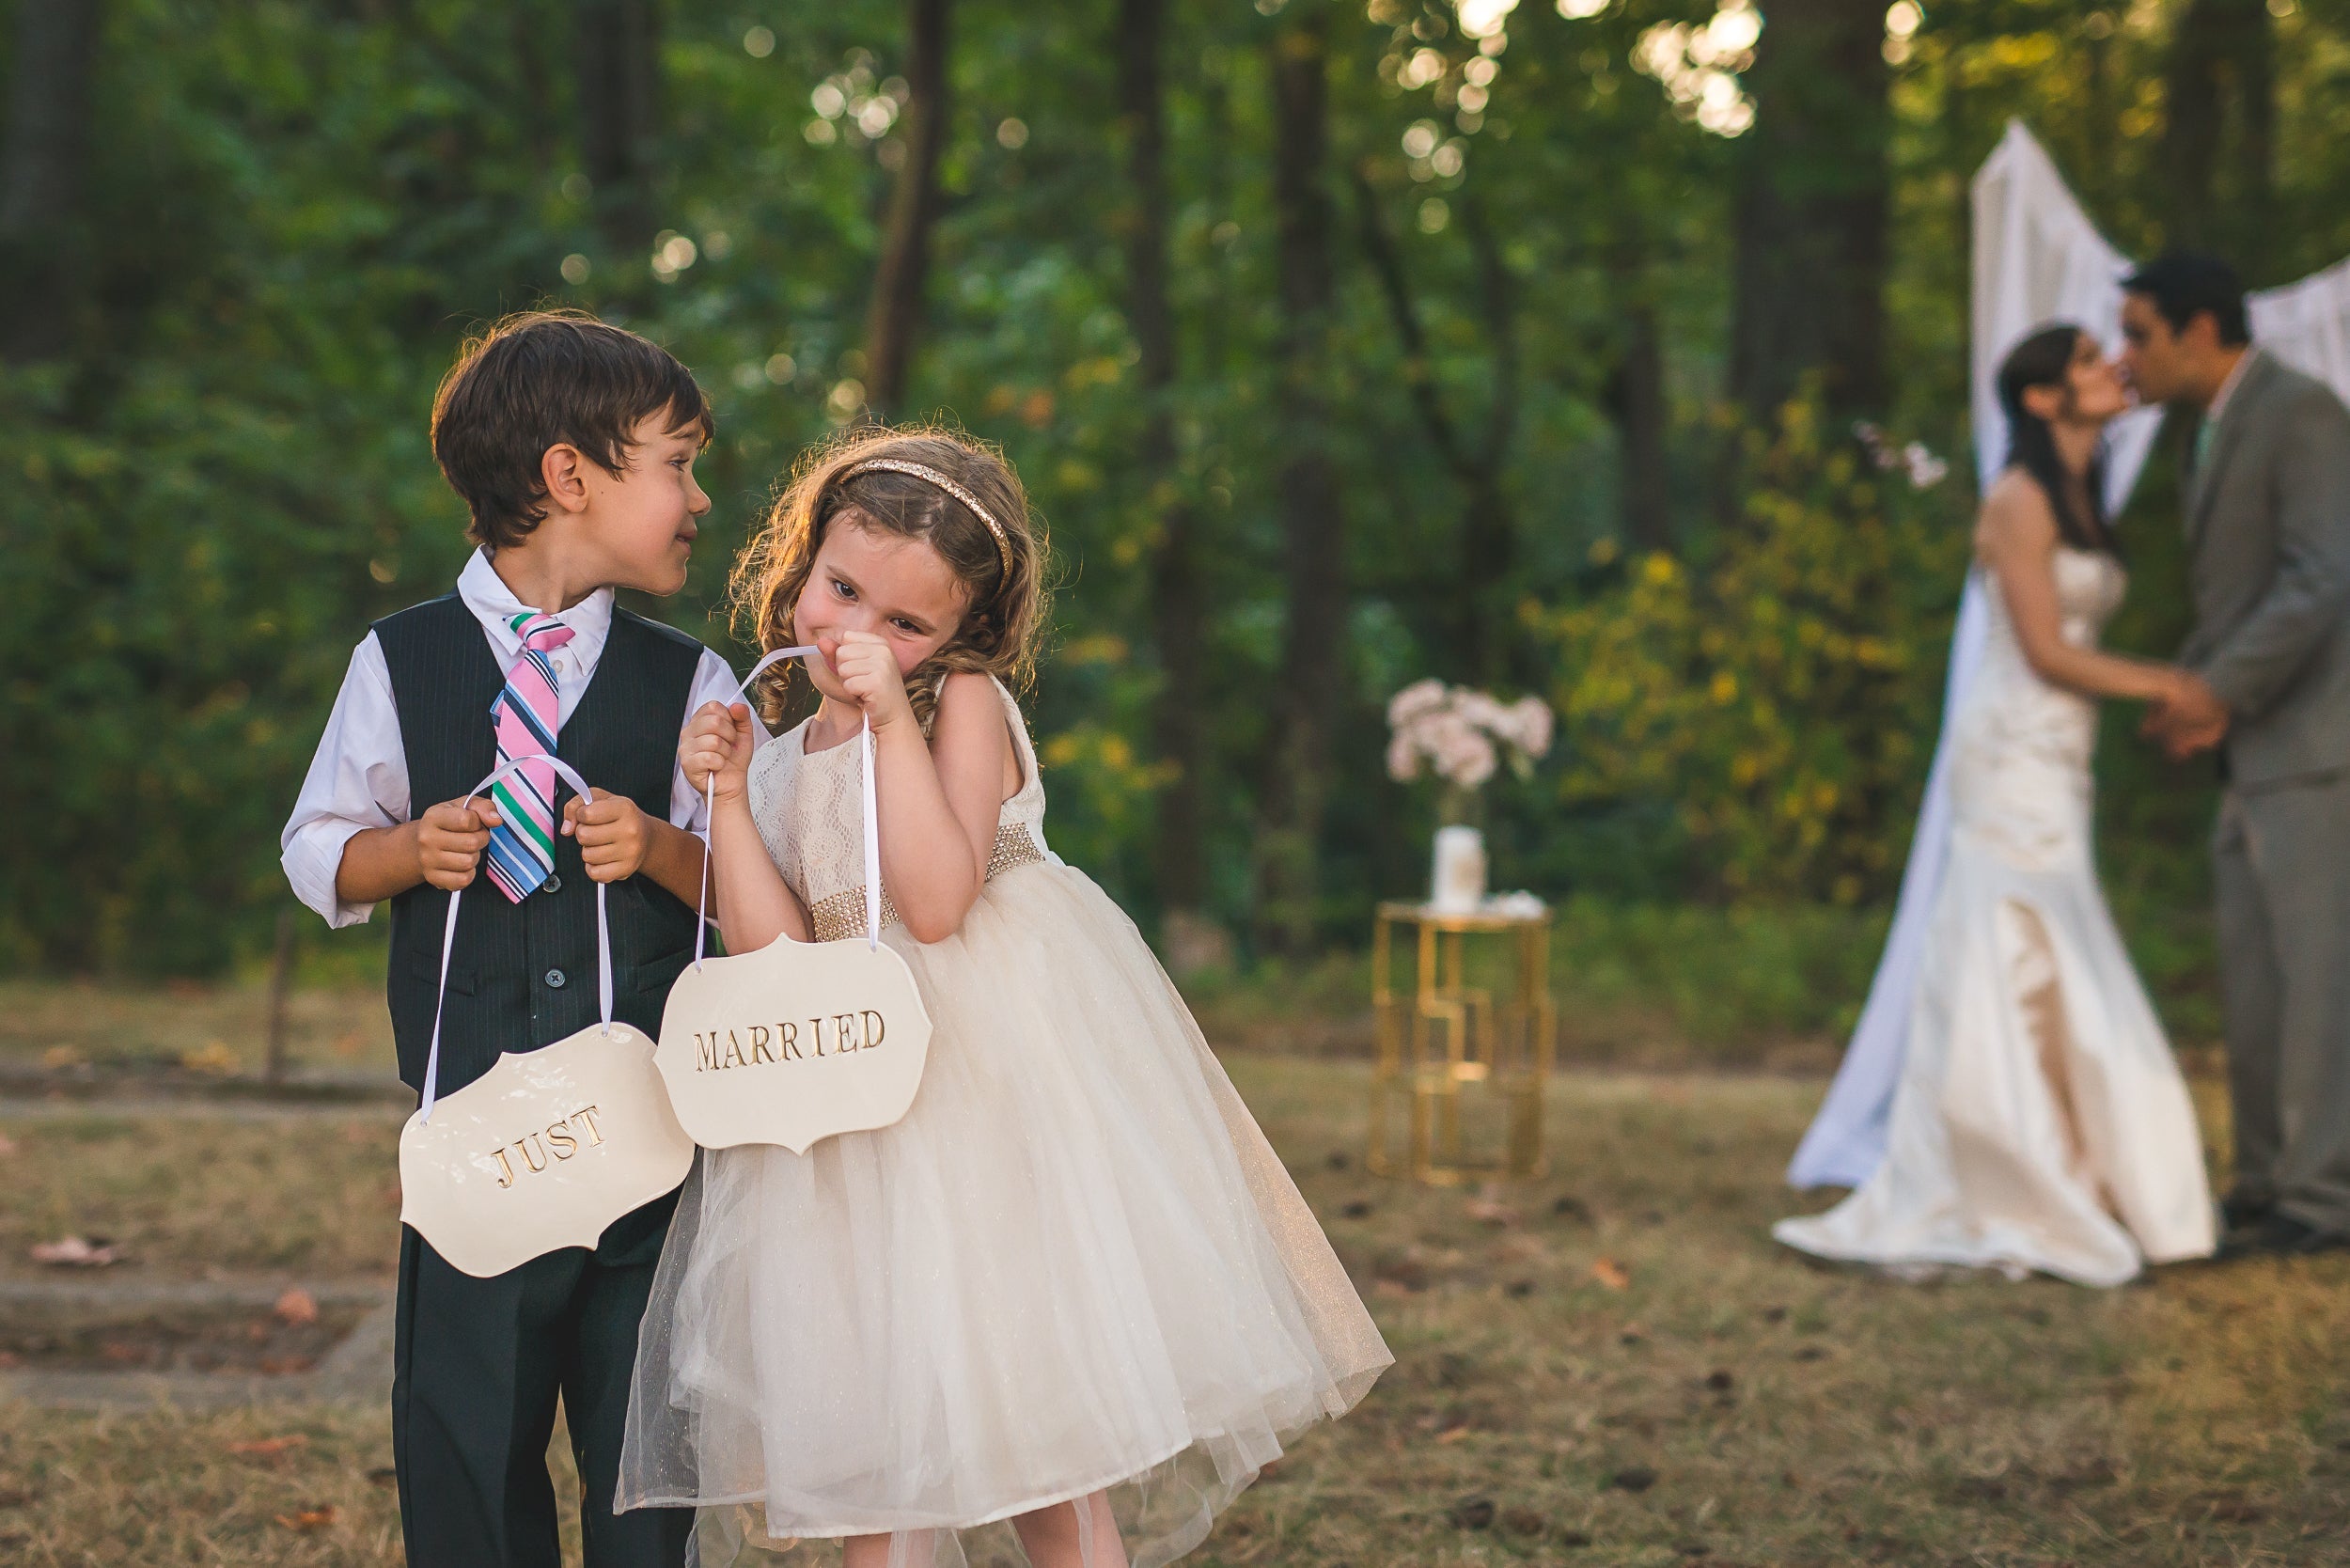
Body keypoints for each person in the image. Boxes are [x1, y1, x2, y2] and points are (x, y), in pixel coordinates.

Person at [618, 427, 1391, 1568]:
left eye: (904, 623)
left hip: (982, 1101)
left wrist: (891, 718)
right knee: (875, 1454)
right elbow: (774, 950)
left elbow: (936, 902)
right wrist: (729, 798)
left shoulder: (957, 705)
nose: (855, 633)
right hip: (849, 1117)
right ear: (803, 562)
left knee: (1039, 1443)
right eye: (840, 590)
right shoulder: (781, 753)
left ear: (958, 634)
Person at [282, 310, 743, 1567]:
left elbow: (748, 894)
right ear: (569, 474)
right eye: (678, 463)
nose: (699, 498)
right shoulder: (401, 661)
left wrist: (660, 847)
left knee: (646, 1452)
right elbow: (318, 845)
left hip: (651, 1145)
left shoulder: (693, 683)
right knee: (466, 1441)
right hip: (473, 1140)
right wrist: (403, 853)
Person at [1775, 324, 2216, 1286]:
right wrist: (2169, 685)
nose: (2112, 367)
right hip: (2012, 747)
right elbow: (2046, 651)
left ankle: (2073, 1165)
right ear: (2042, 399)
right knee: (2011, 941)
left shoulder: (2080, 497)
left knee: (2050, 940)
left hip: (2060, 751)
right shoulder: (2018, 500)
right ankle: (2006, 1170)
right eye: (2088, 361)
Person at [2123, 251, 2350, 1258]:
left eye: (2139, 334)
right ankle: (2263, 1184)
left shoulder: (2301, 413)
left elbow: (2323, 574)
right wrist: (2187, 686)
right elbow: (2236, 596)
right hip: (2250, 752)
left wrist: (2219, 689)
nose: (2128, 356)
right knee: (2256, 983)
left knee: (2320, 985)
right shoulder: (2206, 432)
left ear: (2200, 330)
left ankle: (2324, 1198)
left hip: (2317, 746)